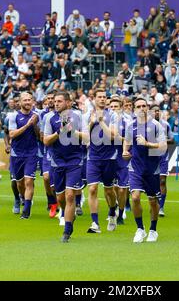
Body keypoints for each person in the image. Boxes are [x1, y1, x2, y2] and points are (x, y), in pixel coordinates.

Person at [122, 98, 167, 243]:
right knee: (135, 197)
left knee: (153, 201)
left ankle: (153, 230)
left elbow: (163, 146)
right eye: (138, 106)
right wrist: (125, 151)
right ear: (134, 109)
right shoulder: (131, 126)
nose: (142, 108)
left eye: (144, 106)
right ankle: (140, 229)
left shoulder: (156, 125)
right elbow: (127, 140)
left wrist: (147, 144)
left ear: (147, 108)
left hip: (152, 169)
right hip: (135, 167)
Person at [43, 91, 85, 243]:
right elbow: (46, 141)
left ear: (68, 102)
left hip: (75, 160)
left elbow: (87, 137)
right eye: (55, 101)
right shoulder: (49, 118)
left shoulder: (78, 116)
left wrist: (73, 131)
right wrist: (60, 131)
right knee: (60, 197)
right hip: (57, 162)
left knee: (69, 195)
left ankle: (67, 230)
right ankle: (67, 213)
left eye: (59, 101)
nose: (56, 103)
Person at [84, 89, 118, 233]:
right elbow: (84, 137)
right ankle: (95, 223)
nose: (102, 99)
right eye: (100, 97)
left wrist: (101, 121)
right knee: (92, 189)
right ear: (94, 99)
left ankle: (112, 211)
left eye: (104, 97)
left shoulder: (113, 115)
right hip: (93, 157)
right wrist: (92, 123)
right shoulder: (87, 115)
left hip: (109, 158)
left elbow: (112, 136)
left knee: (109, 190)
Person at [8, 92, 40, 219]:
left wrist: (35, 125)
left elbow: (39, 136)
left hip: (32, 153)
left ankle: (26, 210)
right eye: (25, 100)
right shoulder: (14, 116)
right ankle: (22, 198)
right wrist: (27, 125)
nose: (27, 102)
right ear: (20, 103)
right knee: (19, 183)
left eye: (29, 100)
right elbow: (12, 134)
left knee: (29, 181)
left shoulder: (36, 116)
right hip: (17, 154)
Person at [149, 105, 174, 217]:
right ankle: (154, 203)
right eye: (154, 111)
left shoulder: (166, 124)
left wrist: (163, 141)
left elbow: (172, 139)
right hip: (151, 156)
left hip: (163, 155)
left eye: (158, 111)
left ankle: (161, 207)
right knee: (153, 182)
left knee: (162, 180)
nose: (156, 113)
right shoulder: (147, 125)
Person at [110, 98, 131, 225]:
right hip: (109, 157)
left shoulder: (127, 121)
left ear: (121, 107)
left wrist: (120, 138)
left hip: (123, 158)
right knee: (111, 188)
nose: (113, 109)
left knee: (122, 189)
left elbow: (130, 138)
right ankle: (113, 209)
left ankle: (121, 212)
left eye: (116, 106)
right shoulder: (105, 121)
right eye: (111, 106)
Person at [39, 92, 59, 219]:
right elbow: (41, 135)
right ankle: (51, 201)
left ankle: (64, 205)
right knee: (46, 178)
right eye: (49, 99)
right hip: (48, 151)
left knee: (58, 182)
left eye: (53, 98)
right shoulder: (44, 115)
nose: (51, 101)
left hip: (61, 152)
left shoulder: (65, 114)